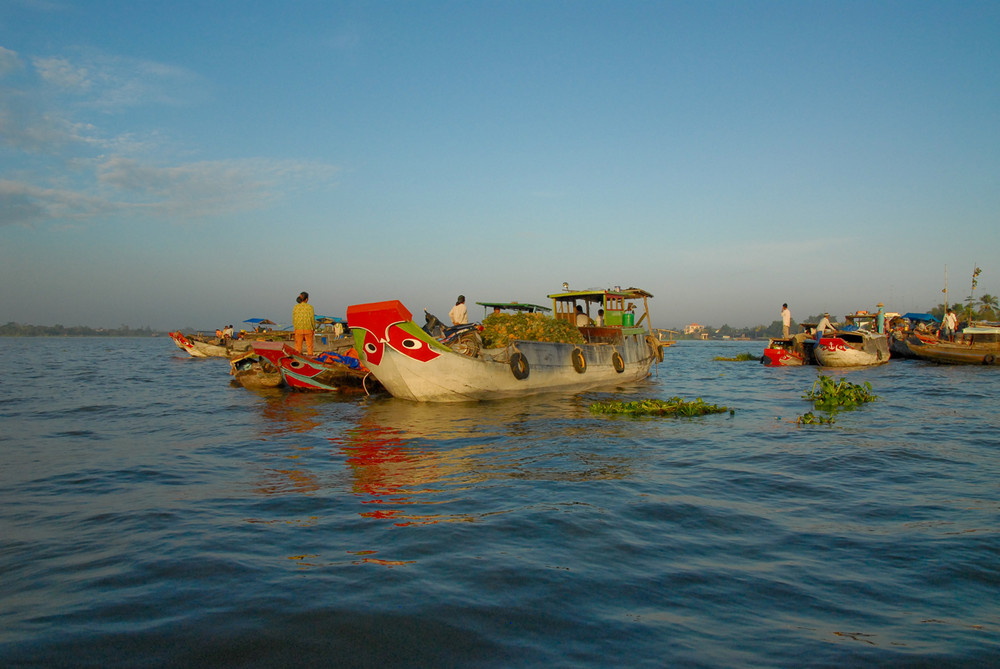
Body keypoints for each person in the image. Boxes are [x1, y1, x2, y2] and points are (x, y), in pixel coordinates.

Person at [293, 291, 315, 355]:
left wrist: (295, 328)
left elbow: (294, 319)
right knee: (309, 346)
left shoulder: (296, 307)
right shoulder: (310, 307)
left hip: (298, 329)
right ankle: (310, 357)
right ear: (306, 299)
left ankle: (297, 359)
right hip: (308, 329)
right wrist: (313, 328)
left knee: (298, 347)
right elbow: (312, 319)